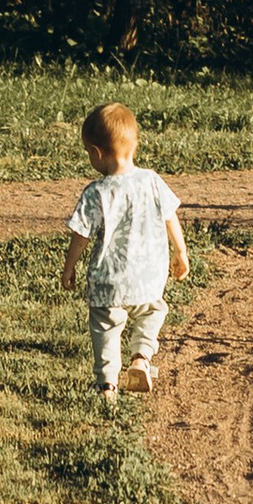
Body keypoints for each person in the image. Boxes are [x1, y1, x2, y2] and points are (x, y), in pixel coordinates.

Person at [61, 101, 189, 402]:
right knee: (153, 312)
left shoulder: (96, 192)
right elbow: (171, 216)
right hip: (147, 278)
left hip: (108, 283)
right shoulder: (152, 181)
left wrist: (69, 267)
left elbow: (81, 235)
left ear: (97, 153)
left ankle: (107, 386)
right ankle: (141, 358)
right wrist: (181, 251)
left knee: (105, 329)